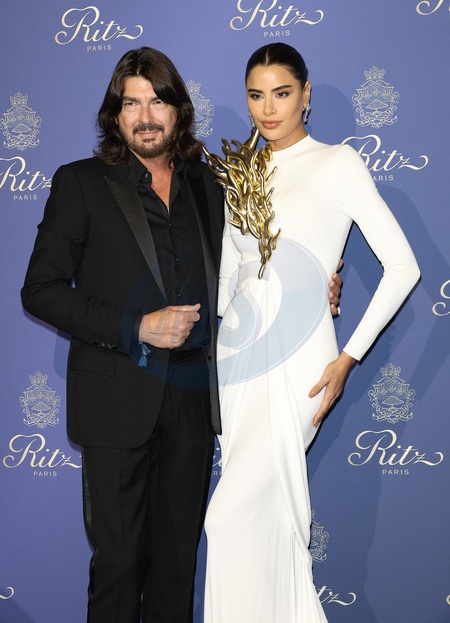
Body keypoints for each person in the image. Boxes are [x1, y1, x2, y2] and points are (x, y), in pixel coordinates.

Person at [21, 46, 342, 623]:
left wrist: (316, 285)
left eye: (157, 102)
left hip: (194, 402)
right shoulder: (81, 183)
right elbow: (40, 290)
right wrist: (137, 326)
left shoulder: (210, 185)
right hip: (116, 400)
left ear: (178, 109)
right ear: (115, 114)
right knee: (119, 567)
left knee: (177, 570)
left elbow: (253, 265)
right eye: (131, 104)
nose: (145, 116)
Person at [203, 43, 420, 623]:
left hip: (301, 358)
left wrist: (348, 358)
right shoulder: (240, 174)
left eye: (282, 93)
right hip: (238, 362)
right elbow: (228, 282)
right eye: (256, 96)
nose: (268, 109)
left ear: (305, 94)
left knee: (225, 518)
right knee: (264, 521)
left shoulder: (336, 162)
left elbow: (404, 267)